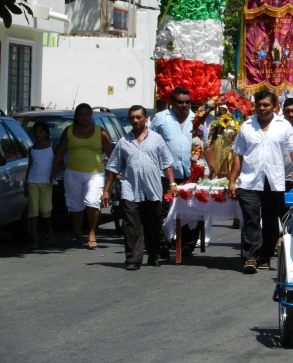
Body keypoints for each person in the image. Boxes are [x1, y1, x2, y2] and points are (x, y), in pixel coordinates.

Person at [228, 91, 293, 274]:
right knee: (251, 220)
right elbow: (238, 155)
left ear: (274, 107)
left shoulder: (283, 125)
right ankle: (250, 258)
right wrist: (232, 181)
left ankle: (265, 255)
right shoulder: (246, 126)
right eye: (259, 105)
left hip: (274, 180)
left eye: (266, 105)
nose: (262, 108)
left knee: (270, 221)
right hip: (249, 181)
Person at [102, 106, 178, 270]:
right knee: (131, 225)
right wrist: (106, 190)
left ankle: (153, 253)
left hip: (152, 189)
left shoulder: (156, 139)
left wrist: (172, 183)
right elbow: (113, 168)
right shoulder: (124, 142)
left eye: (138, 118)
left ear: (146, 118)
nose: (135, 121)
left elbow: (167, 163)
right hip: (130, 189)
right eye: (132, 118)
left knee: (153, 224)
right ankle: (133, 259)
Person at [52, 103, 112, 249]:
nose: (84, 118)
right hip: (73, 172)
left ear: (91, 116)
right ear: (76, 116)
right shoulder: (69, 130)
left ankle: (91, 233)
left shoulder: (100, 131)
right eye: (81, 115)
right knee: (75, 206)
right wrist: (55, 168)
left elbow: (111, 154)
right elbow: (61, 151)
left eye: (87, 114)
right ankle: (78, 235)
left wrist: (115, 172)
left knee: (92, 202)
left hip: (95, 173)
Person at [149, 86, 200, 258]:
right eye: (180, 102)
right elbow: (151, 141)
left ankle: (188, 245)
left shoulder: (198, 118)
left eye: (187, 102)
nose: (184, 105)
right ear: (172, 102)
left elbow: (207, 144)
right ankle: (163, 243)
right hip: (165, 173)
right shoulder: (160, 118)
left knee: (192, 210)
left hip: (192, 172)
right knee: (164, 210)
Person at [24, 121, 57, 249]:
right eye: (36, 131)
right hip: (33, 182)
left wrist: (56, 170)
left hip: (46, 182)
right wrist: (26, 184)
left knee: (45, 209)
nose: (38, 134)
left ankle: (48, 230)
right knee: (33, 210)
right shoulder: (32, 149)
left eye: (40, 131)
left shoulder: (52, 146)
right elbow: (30, 166)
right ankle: (34, 237)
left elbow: (60, 159)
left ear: (47, 133)